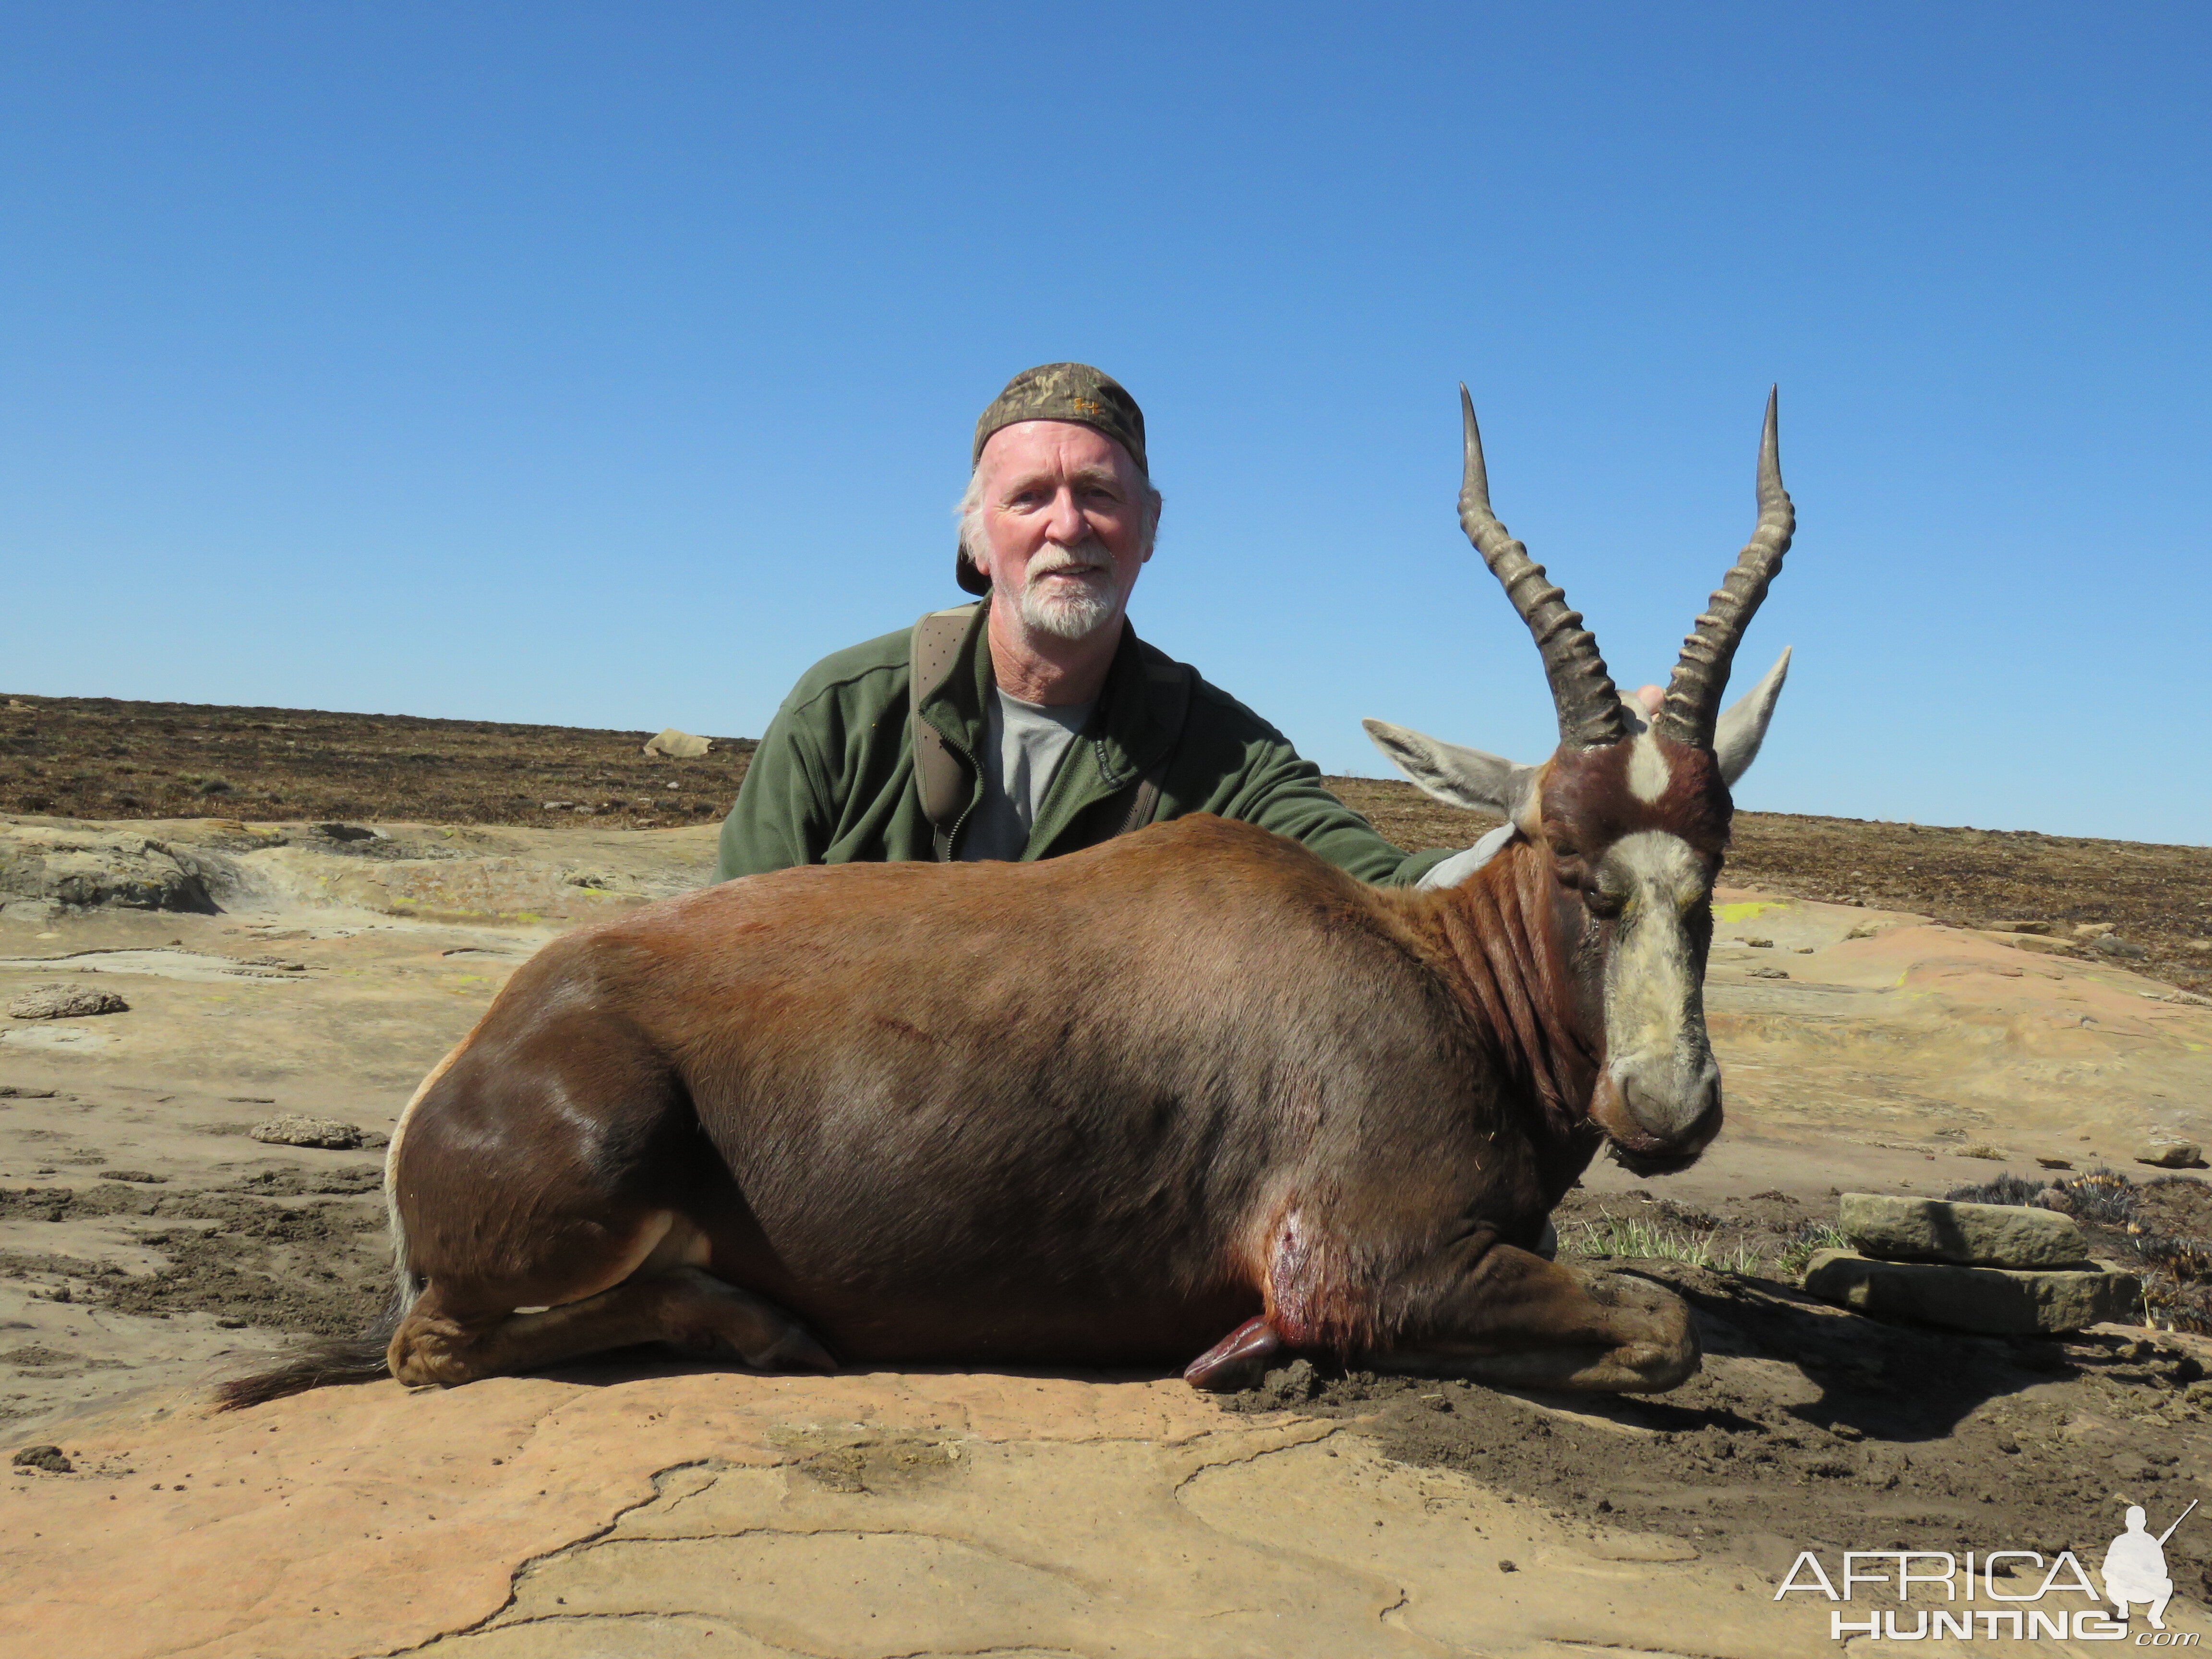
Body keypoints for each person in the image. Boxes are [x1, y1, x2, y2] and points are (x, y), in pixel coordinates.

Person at [715, 362, 1462, 885]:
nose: (1068, 526)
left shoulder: (1224, 755)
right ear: (976, 537)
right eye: (1030, 497)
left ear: (1149, 528)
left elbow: (1386, 884)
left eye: (1100, 493)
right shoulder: (841, 713)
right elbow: (722, 955)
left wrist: (1529, 848)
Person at [2101, 1504, 2176, 1629]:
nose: (2135, 1524)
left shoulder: (2151, 1543)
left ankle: (2155, 1617)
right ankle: (2122, 1608)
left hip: (2144, 1588)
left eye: (2139, 1521)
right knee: (2111, 1583)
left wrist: (2147, 1573)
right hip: (2123, 1588)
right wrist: (2122, 1575)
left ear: (2144, 1522)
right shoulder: (2120, 1541)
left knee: (2167, 1584)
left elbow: (2162, 1571)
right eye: (2132, 1521)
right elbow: (2107, 1569)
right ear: (2127, 1523)